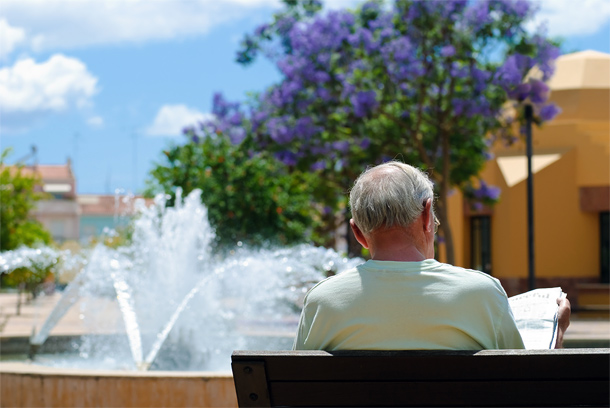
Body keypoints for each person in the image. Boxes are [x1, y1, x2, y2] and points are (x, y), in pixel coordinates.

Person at [294, 161, 570, 350]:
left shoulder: (322, 301)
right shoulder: (482, 293)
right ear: (427, 215)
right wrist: (554, 336)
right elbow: (523, 386)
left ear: (358, 233)